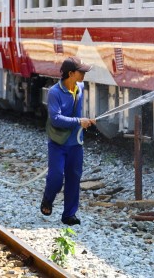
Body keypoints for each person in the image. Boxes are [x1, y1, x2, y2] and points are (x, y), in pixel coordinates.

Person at [40, 56, 96, 226]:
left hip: (75, 144)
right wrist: (79, 121)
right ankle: (48, 199)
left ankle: (69, 214)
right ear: (71, 73)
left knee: (74, 178)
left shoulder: (80, 87)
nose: (84, 74)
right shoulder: (54, 92)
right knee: (56, 177)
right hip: (58, 143)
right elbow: (56, 119)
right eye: (81, 72)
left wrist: (88, 120)